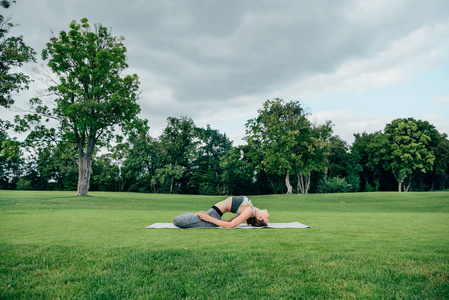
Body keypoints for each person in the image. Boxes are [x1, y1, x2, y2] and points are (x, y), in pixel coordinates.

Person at [173, 196, 270, 228]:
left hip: (213, 216)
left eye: (267, 218)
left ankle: (197, 218)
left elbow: (230, 225)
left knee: (178, 221)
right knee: (184, 215)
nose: (268, 215)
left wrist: (209, 219)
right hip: (213, 214)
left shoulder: (249, 211)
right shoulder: (250, 209)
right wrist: (208, 216)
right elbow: (228, 221)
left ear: (260, 218)